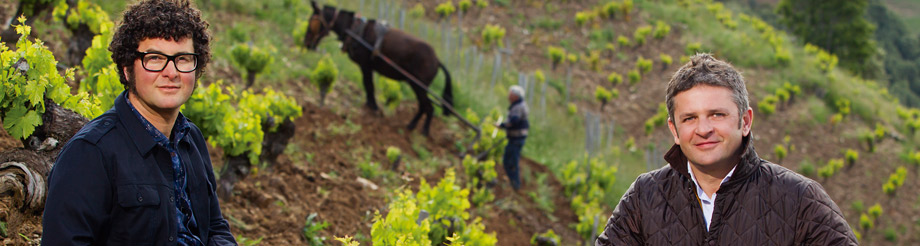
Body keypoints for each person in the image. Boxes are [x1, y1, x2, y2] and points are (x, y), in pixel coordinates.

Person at [596, 54, 857, 245]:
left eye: (717, 115)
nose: (703, 129)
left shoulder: (800, 199)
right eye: (689, 118)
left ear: (745, 122)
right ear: (674, 130)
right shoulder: (645, 196)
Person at [41, 0, 236, 245]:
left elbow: (214, 227)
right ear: (126, 69)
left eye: (183, 59)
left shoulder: (191, 138)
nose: (171, 72)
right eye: (154, 58)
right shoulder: (90, 153)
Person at [498, 85, 529, 191]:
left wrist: (502, 125)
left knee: (510, 161)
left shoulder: (517, 107)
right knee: (510, 161)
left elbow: (514, 121)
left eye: (510, 94)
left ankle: (515, 184)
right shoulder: (519, 105)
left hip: (516, 140)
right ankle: (513, 182)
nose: (508, 96)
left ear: (515, 96)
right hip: (516, 139)